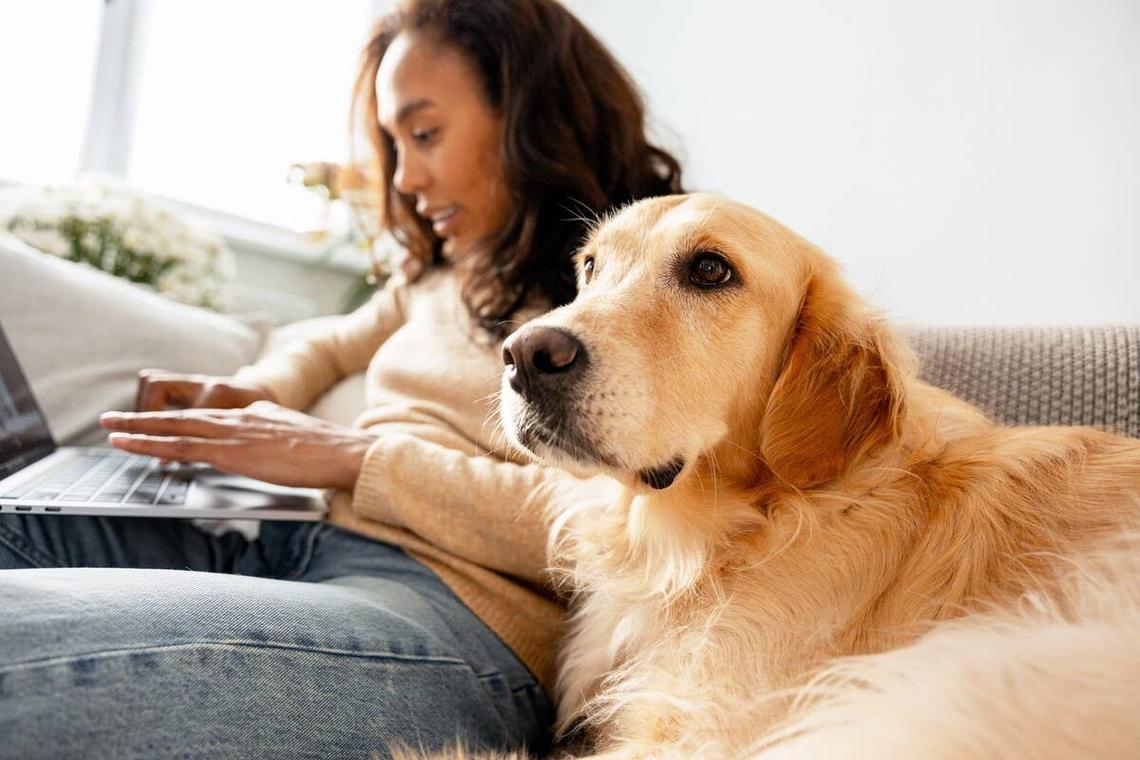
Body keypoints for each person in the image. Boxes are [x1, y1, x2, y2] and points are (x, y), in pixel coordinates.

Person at [0, 0, 683, 757]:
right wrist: (255, 391)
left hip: (453, 615)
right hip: (295, 549)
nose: (406, 177)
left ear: (530, 116)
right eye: (394, 144)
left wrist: (350, 459)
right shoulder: (442, 278)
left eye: (425, 134)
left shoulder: (625, 302)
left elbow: (610, 524)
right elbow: (327, 346)